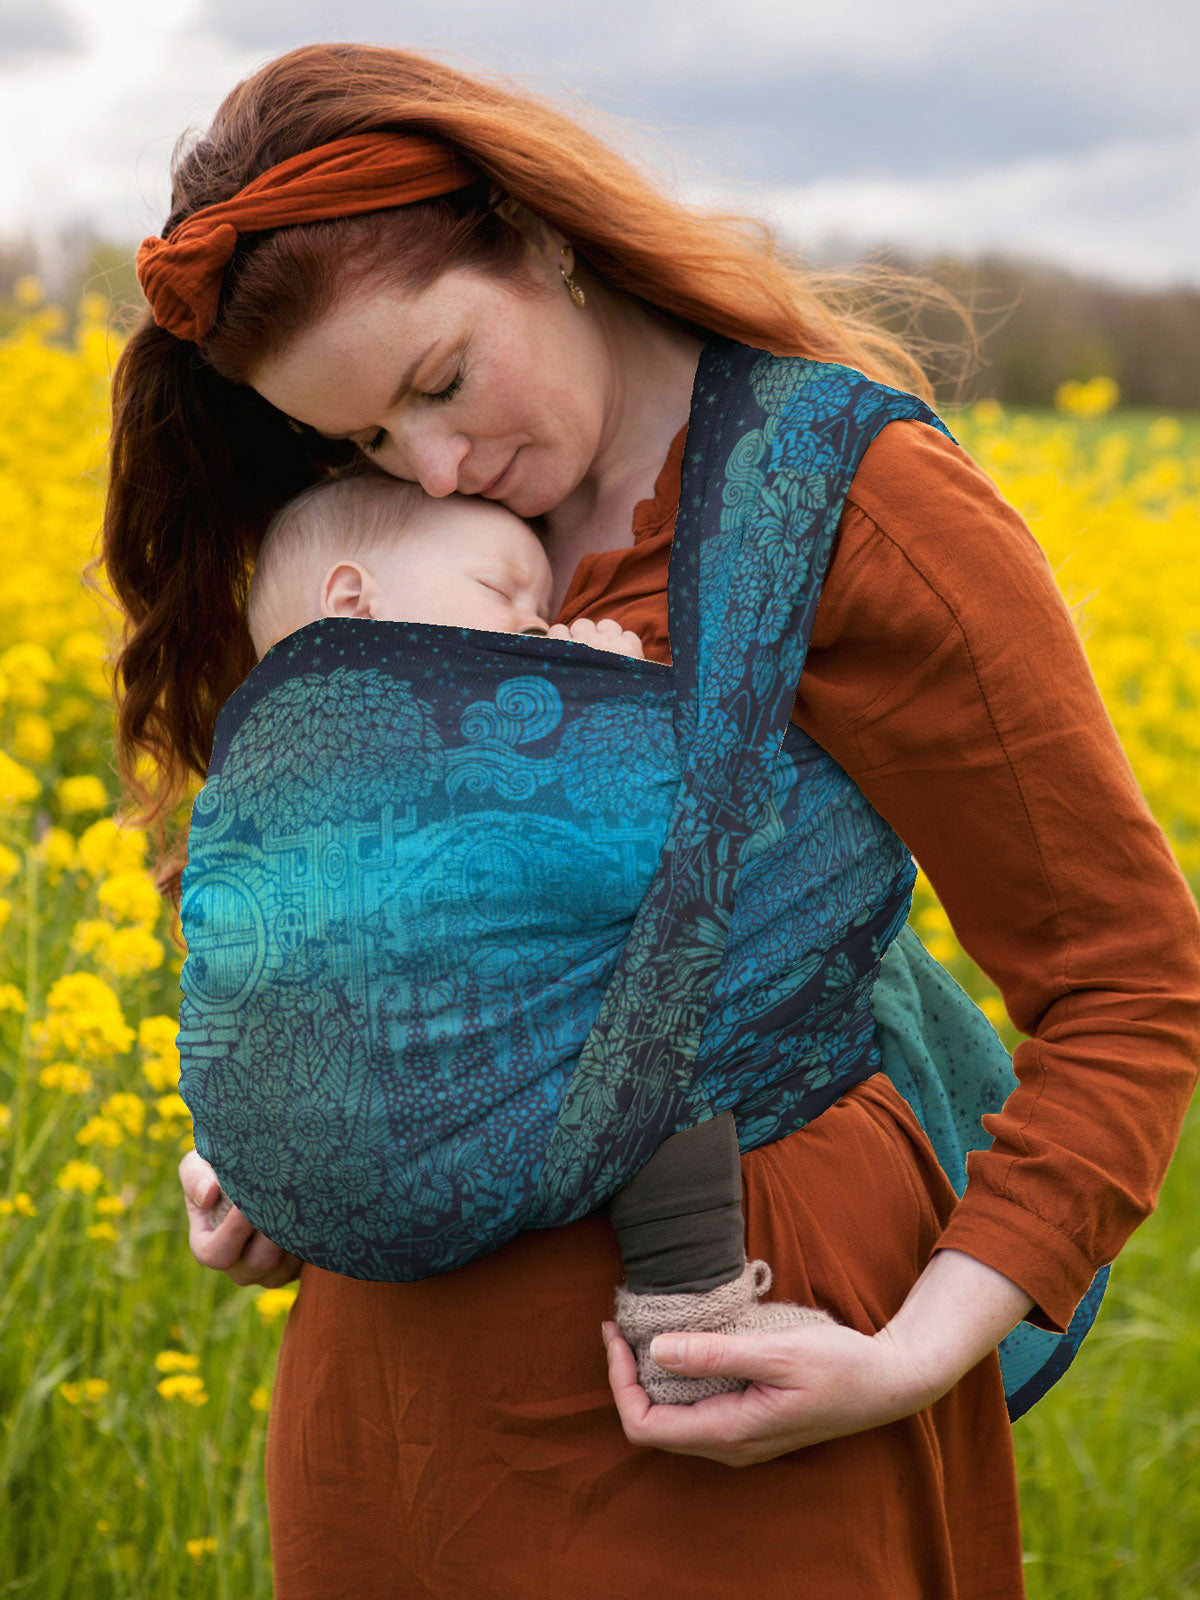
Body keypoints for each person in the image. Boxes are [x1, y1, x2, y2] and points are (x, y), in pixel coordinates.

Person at [98, 41, 1200, 1599]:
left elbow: (1128, 979)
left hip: (737, 1398)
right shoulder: (374, 547)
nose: (438, 467)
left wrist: (912, 1358)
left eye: (439, 382)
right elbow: (343, 921)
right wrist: (282, 1151)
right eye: (364, 444)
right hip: (401, 1409)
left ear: (538, 233)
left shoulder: (851, 506)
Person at [236, 466, 836, 1401]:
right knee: (664, 1057)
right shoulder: (435, 735)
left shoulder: (278, 771)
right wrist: (617, 700)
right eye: (499, 590)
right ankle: (687, 1322)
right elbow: (651, 867)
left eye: (541, 605)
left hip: (370, 1117)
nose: (533, 623)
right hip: (473, 1080)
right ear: (353, 605)